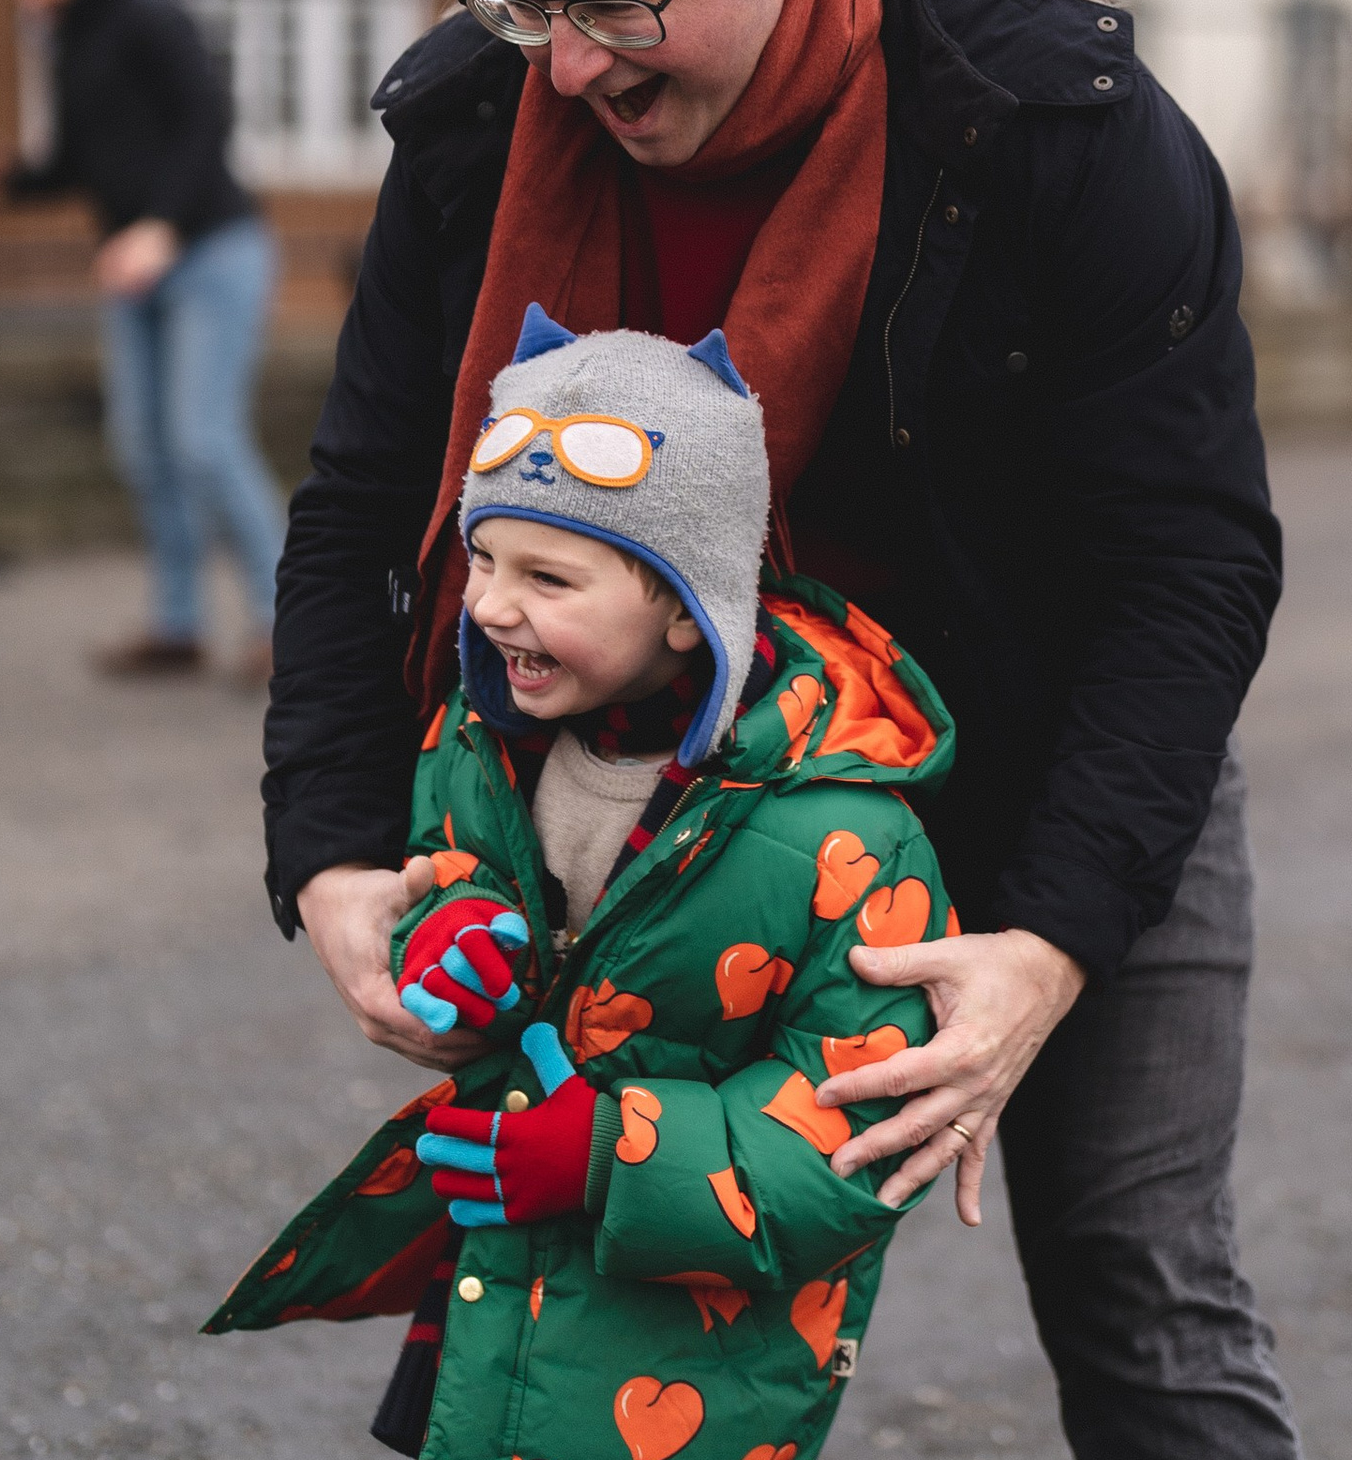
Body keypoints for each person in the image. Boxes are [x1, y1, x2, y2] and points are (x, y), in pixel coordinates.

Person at [264, 0, 1297, 1458]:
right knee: (538, 1303)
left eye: (623, 11)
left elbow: (1190, 567)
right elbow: (358, 507)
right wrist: (332, 843)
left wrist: (1052, 942)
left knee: (1141, 1292)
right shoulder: (488, 123)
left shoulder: (1052, 124)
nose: (570, 66)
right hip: (644, 803)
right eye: (522, 4)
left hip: (1049, 749)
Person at [212, 311, 955, 1460]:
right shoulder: (488, 738)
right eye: (485, 561)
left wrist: (607, 1153)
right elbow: (453, 868)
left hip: (694, 1370)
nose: (493, 607)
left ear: (682, 599)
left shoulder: (842, 831)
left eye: (549, 575)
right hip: (497, 1295)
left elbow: (859, 1131)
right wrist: (457, 942)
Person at [0, 0, 287, 680]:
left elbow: (206, 118)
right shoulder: (66, 36)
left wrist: (160, 224)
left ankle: (286, 624)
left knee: (204, 439)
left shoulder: (148, 11)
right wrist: (15, 178)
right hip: (135, 266)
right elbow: (82, 159)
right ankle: (178, 623)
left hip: (212, 251)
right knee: (143, 448)